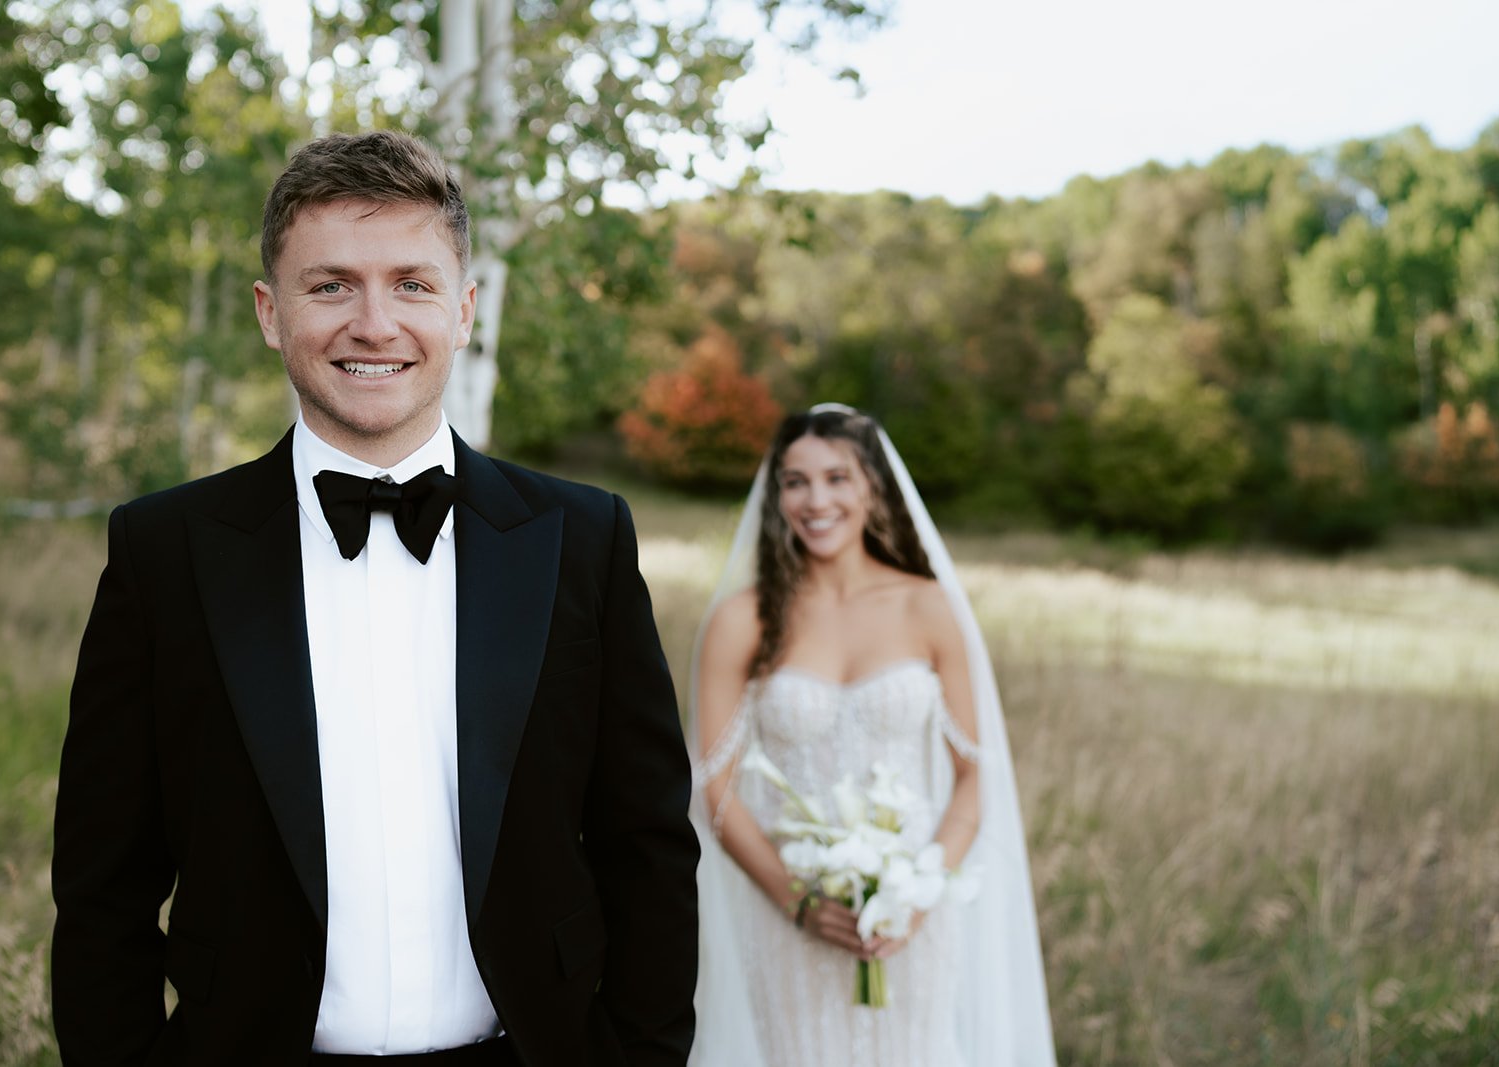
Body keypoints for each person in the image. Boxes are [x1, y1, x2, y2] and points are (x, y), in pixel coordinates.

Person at [51, 130, 700, 1067]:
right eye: (330, 285)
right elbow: (102, 881)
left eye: (412, 283)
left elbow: (648, 847)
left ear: (465, 309)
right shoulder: (164, 550)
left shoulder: (581, 538)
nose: (373, 323)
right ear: (272, 313)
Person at [687, 405, 1055, 1066]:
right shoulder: (743, 618)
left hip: (911, 922)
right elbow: (712, 781)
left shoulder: (928, 606)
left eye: (837, 477)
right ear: (777, 496)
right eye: (795, 481)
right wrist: (796, 899)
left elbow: (974, 773)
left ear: (872, 487)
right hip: (790, 915)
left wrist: (918, 888)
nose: (816, 499)